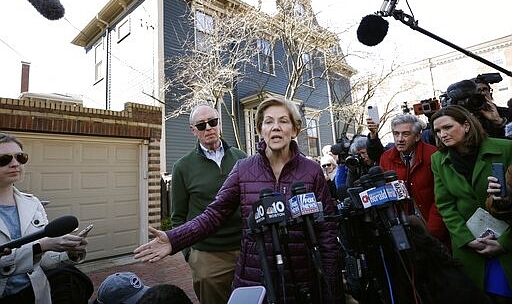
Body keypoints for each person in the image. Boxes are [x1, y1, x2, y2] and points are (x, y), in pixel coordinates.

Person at [134, 97, 341, 303]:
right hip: (254, 275)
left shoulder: (312, 171)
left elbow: (327, 231)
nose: (276, 127)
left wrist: (330, 285)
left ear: (295, 129)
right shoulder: (244, 169)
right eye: (268, 121)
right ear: (260, 129)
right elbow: (214, 214)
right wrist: (175, 239)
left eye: (283, 121)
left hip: (301, 275)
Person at [430, 105, 512, 303]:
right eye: (438, 131)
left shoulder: (505, 148)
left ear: (466, 125)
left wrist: (504, 243)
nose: (443, 134)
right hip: (472, 250)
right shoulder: (438, 160)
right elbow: (445, 205)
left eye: (448, 127)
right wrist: (467, 239)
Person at [0, 133, 92, 303]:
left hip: (36, 294)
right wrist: (40, 247)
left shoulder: (33, 204)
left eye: (20, 157)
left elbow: (42, 261)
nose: (15, 164)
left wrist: (68, 253)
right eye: (4, 159)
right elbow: (40, 249)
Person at [170, 104, 247, 304]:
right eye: (202, 125)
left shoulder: (242, 158)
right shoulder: (182, 167)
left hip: (246, 248)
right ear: (193, 130)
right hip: (207, 254)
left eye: (213, 122)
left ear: (219, 124)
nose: (209, 128)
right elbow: (178, 216)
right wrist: (190, 255)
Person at [379, 113, 450, 248]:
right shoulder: (386, 158)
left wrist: (432, 232)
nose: (399, 139)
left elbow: (442, 197)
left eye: (405, 134)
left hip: (435, 228)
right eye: (396, 134)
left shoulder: (434, 155)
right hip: (405, 231)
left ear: (417, 136)